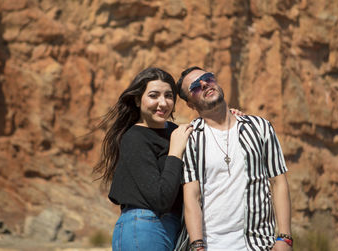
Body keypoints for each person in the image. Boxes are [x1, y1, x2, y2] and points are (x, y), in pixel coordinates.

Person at [176, 66, 292, 251]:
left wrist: (285, 238)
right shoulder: (190, 138)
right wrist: (198, 246)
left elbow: (278, 181)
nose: (205, 84)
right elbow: (192, 197)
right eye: (196, 86)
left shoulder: (260, 127)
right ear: (190, 104)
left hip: (259, 244)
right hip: (212, 245)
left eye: (208, 78)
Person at [93, 67, 193, 251]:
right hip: (144, 227)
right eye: (154, 95)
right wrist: (175, 152)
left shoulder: (175, 132)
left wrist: (232, 118)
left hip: (173, 229)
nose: (162, 103)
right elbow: (161, 199)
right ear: (138, 100)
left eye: (169, 96)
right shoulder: (135, 138)